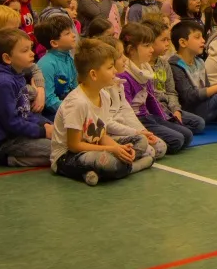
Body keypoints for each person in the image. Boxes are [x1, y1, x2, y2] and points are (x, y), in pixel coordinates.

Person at [51, 38, 154, 185]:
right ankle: (132, 167)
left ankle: (95, 172)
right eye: (110, 67)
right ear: (93, 74)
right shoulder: (77, 103)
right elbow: (74, 145)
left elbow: (101, 135)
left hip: (95, 147)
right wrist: (111, 149)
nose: (115, 71)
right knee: (108, 162)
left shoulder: (104, 95)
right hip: (68, 156)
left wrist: (118, 148)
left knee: (140, 141)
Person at [0, 28, 52, 167]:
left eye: (31, 48)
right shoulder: (2, 83)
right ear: (7, 58)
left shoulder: (18, 75)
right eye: (25, 51)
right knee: (59, 150)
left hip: (19, 134)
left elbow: (24, 113)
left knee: (63, 142)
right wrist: (42, 132)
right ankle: (4, 158)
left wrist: (44, 125)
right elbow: (11, 122)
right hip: (6, 141)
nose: (32, 53)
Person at [118, 22, 195, 153]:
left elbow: (151, 99)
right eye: (146, 46)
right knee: (177, 140)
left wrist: (165, 120)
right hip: (137, 121)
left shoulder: (145, 69)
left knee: (187, 135)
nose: (152, 50)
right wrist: (142, 131)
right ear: (131, 49)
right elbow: (127, 111)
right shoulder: (125, 76)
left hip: (148, 117)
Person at [35, 14, 79, 116]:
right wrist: (72, 110)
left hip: (70, 105)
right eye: (67, 33)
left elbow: (75, 87)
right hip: (54, 113)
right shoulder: (46, 64)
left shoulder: (69, 58)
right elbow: (49, 99)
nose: (73, 35)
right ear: (54, 43)